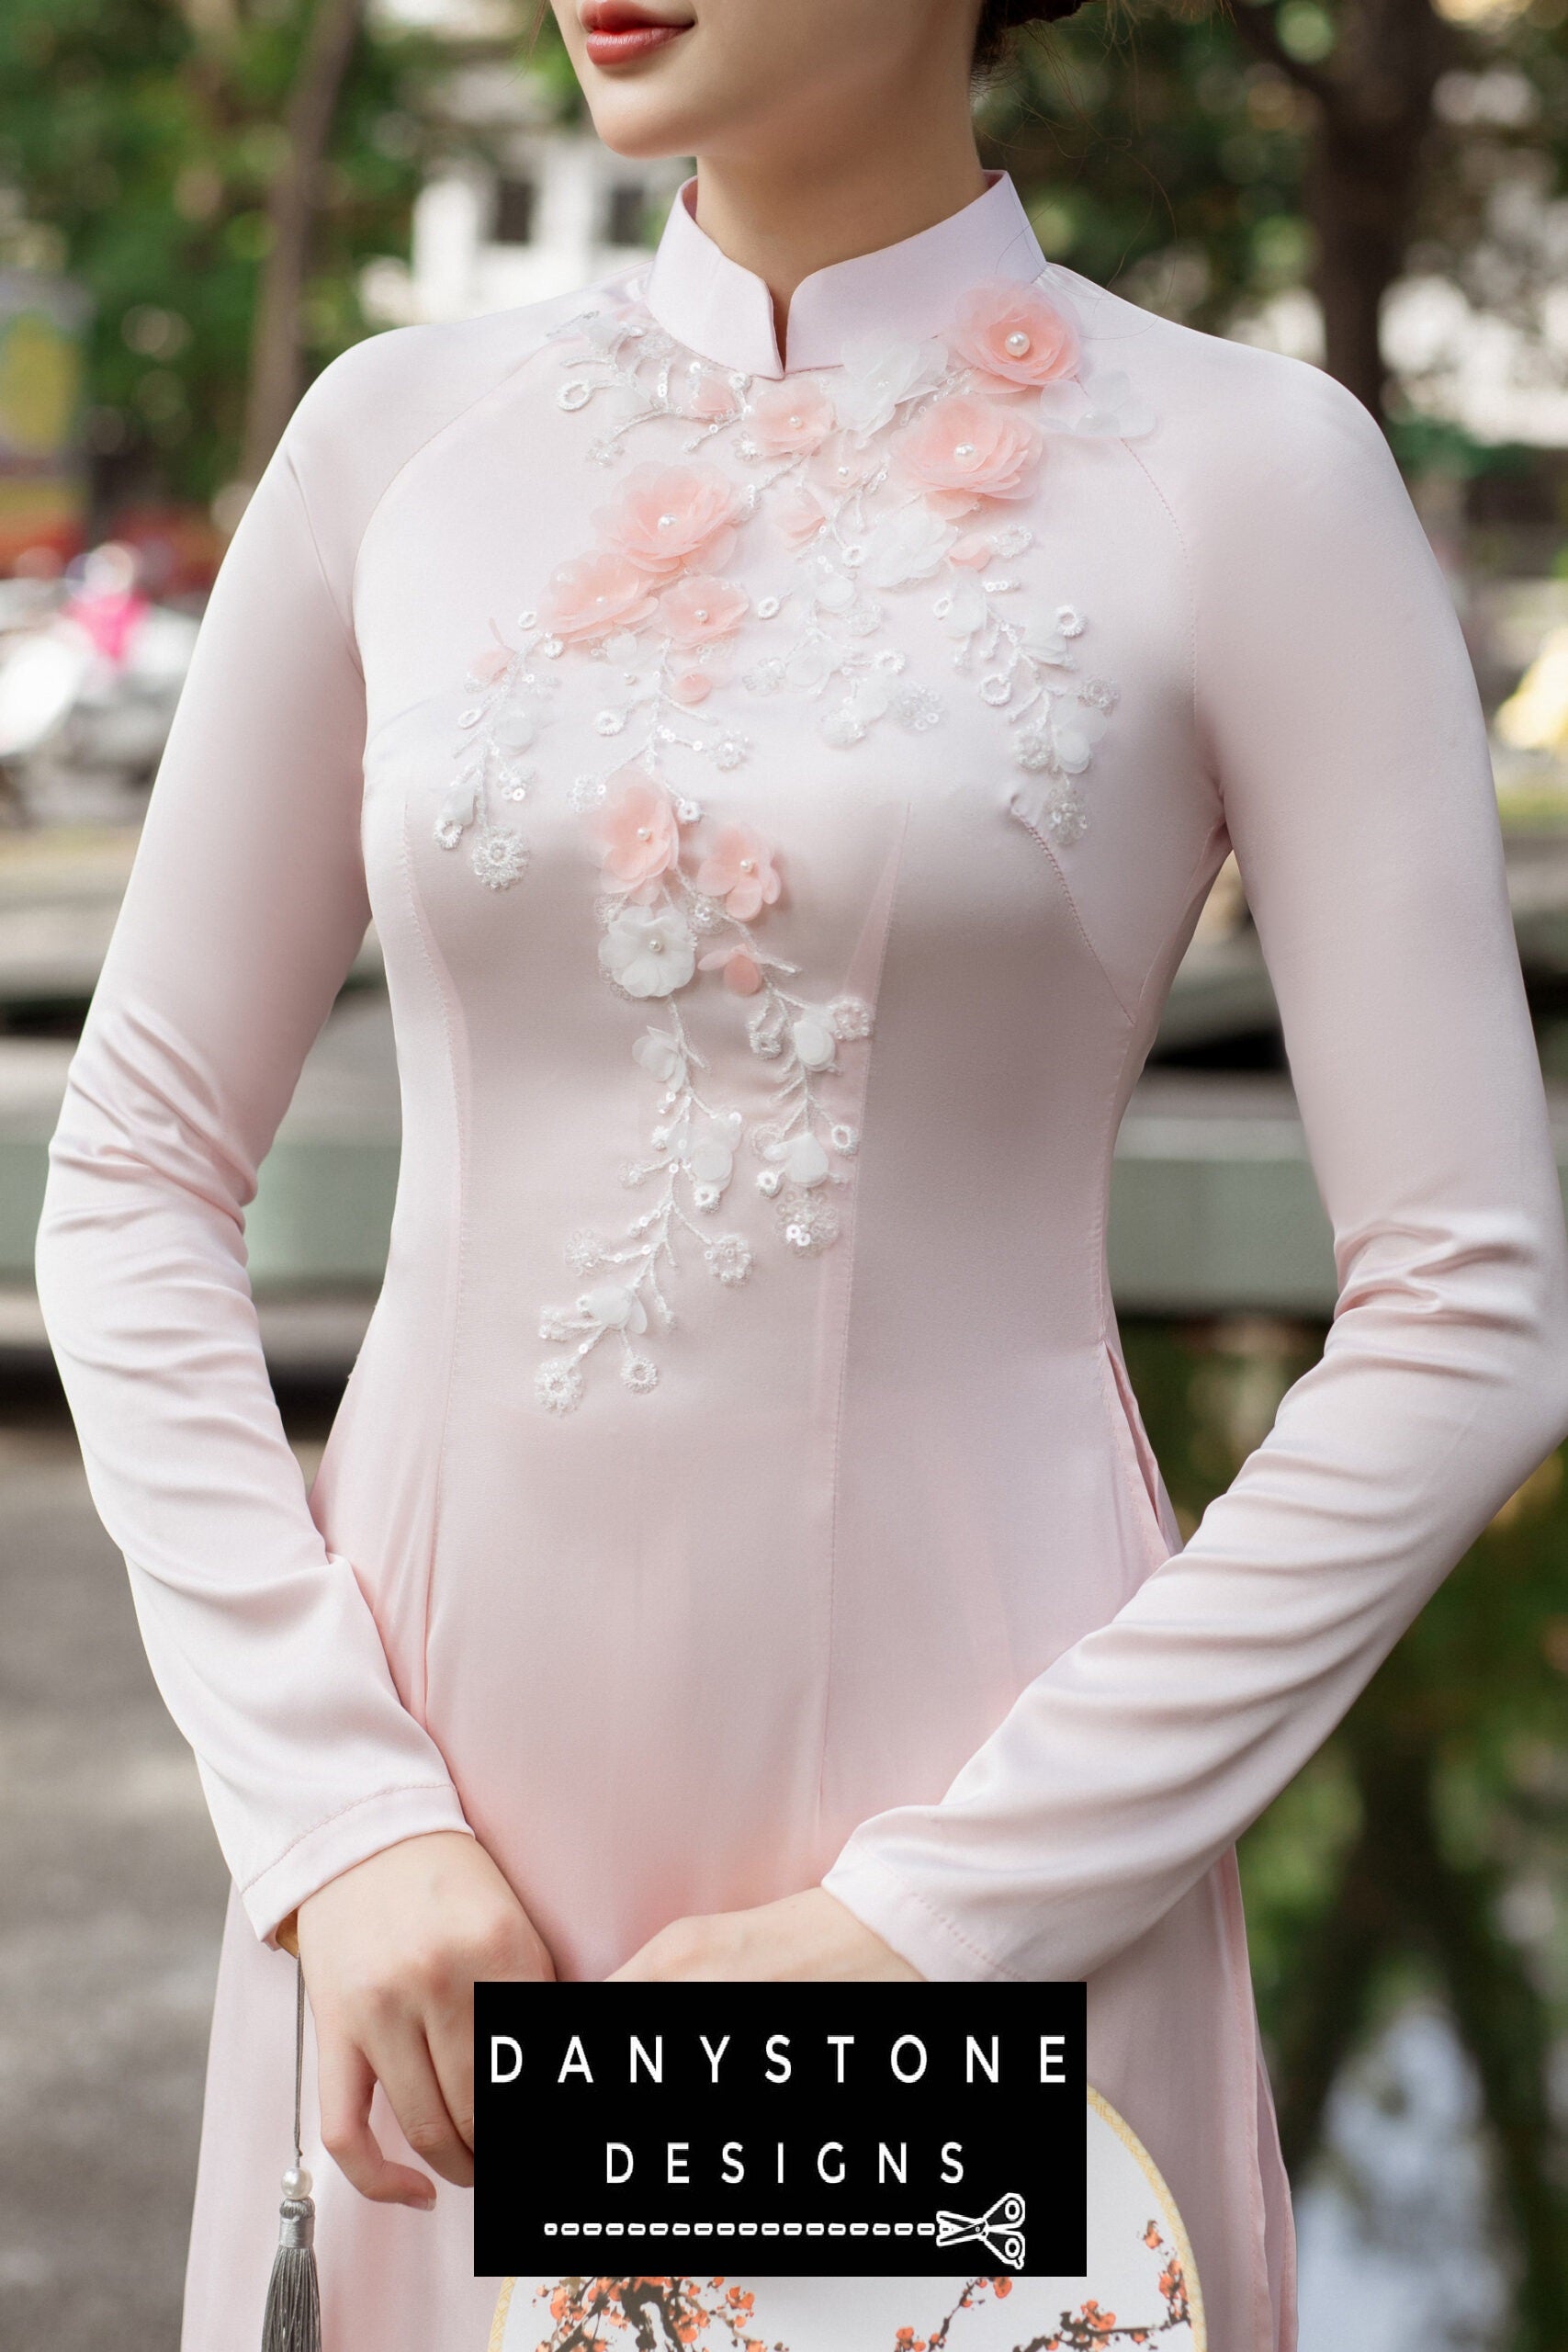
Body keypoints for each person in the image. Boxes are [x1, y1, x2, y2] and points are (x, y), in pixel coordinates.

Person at [32, 0, 1568, 2346]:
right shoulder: (395, 447)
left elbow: (1469, 1315)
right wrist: (334, 1810)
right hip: (434, 1876)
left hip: (978, 1819)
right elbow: (129, 1172)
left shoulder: (1253, 475)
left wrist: (929, 1921)